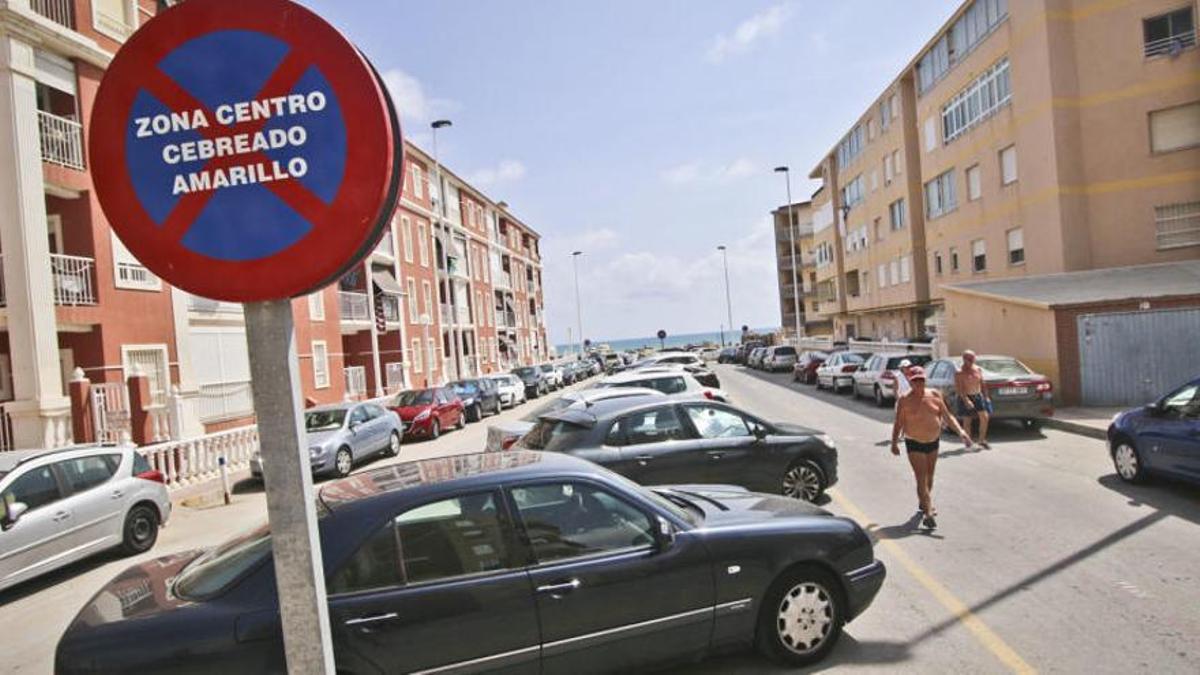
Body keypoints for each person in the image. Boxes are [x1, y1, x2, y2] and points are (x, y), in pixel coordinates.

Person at [891, 366, 972, 529]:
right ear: (910, 382)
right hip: (914, 442)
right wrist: (893, 443)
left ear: (925, 380)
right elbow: (898, 423)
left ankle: (924, 502)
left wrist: (962, 432)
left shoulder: (935, 395)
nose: (918, 384)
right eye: (915, 381)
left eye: (921, 380)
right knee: (921, 477)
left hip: (933, 441)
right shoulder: (904, 400)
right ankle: (928, 513)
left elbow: (947, 417)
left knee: (930, 477)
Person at [954, 350, 992, 449]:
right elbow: (959, 389)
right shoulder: (959, 372)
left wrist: (986, 397)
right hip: (965, 396)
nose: (971, 361)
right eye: (969, 359)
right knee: (967, 420)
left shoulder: (978, 369)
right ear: (964, 359)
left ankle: (982, 440)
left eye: (973, 359)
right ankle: (968, 441)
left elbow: (982, 383)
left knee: (985, 417)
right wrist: (966, 400)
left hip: (977, 395)